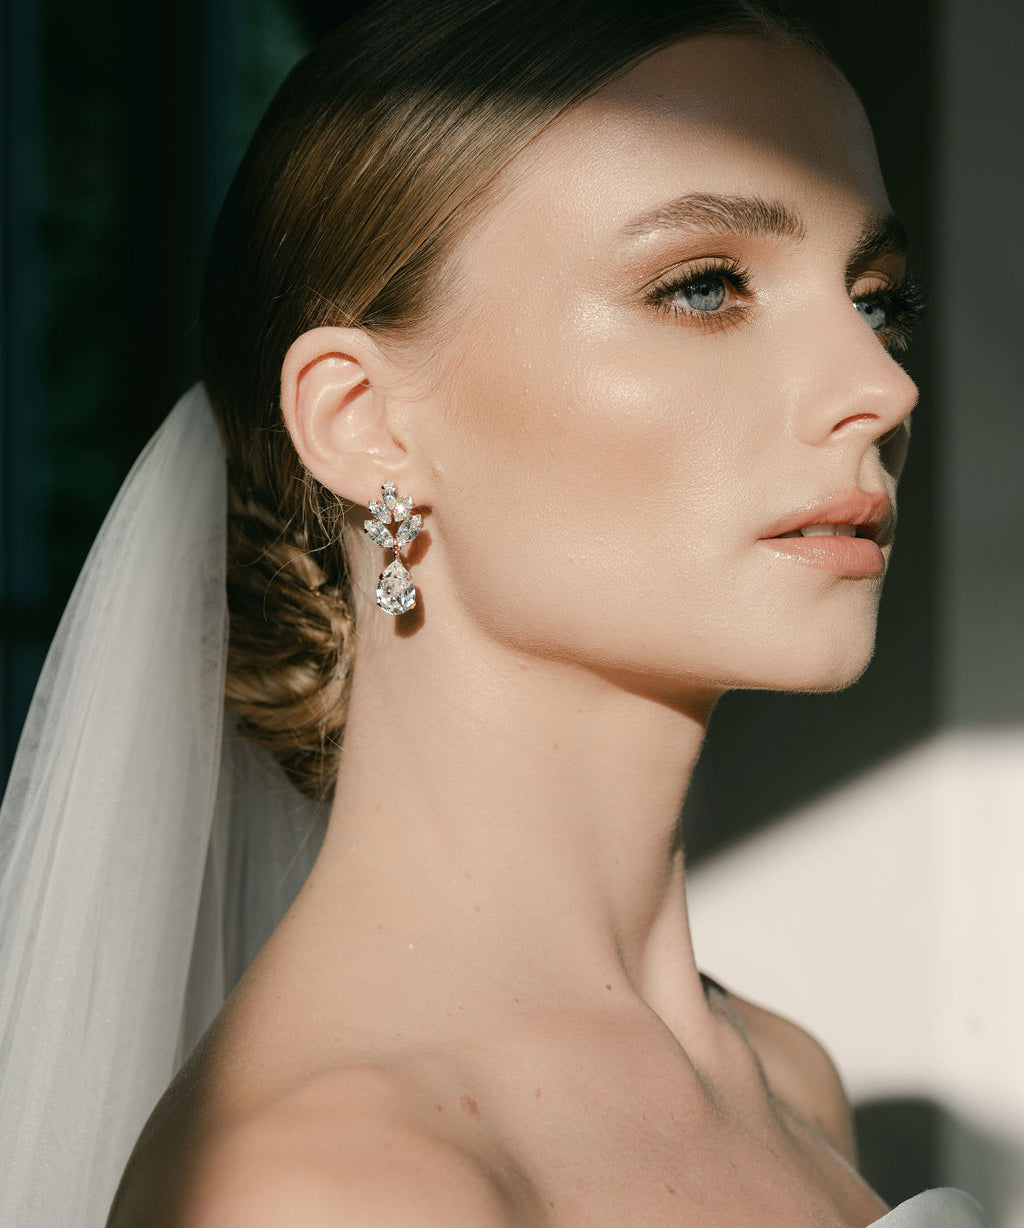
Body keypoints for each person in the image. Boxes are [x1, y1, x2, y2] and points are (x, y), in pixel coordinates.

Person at [0, 1, 989, 1225]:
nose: (879, 385)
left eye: (876, 296)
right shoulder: (338, 1189)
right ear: (365, 422)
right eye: (703, 287)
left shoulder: (781, 1077)